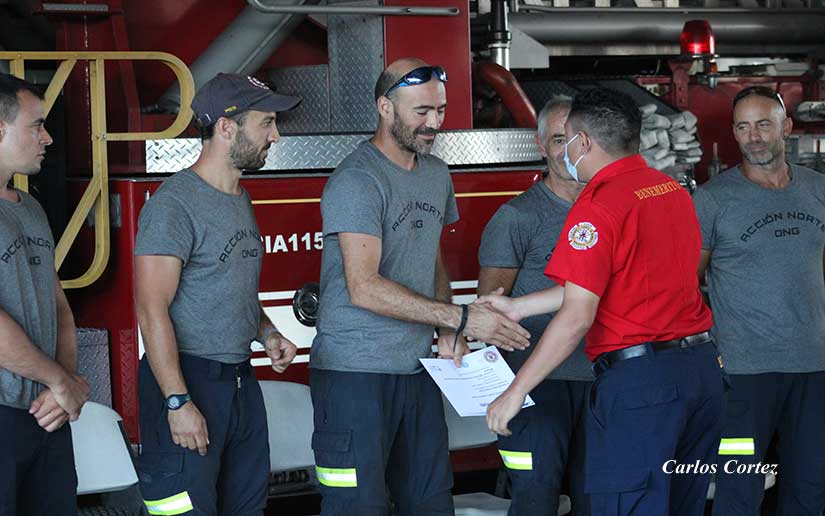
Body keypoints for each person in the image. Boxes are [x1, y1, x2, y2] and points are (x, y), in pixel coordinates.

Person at [482, 88, 725, 516]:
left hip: (642, 386)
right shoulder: (670, 190)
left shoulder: (597, 205)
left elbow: (578, 313)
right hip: (699, 374)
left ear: (583, 143)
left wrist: (516, 392)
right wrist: (520, 308)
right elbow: (608, 282)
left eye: (568, 139)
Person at [310, 57, 531, 516]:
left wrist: (449, 330)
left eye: (441, 110)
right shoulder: (358, 180)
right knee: (359, 507)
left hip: (416, 371)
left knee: (430, 502)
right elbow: (363, 288)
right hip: (356, 375)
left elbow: (430, 257)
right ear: (385, 108)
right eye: (421, 112)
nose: (434, 124)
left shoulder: (435, 173)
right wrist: (464, 319)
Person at [134, 73, 300, 516]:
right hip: (188, 381)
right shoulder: (174, 205)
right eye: (266, 123)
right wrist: (178, 401)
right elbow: (151, 311)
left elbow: (230, 288)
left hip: (239, 382)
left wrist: (266, 333)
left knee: (247, 508)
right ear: (226, 128)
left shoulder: (237, 198)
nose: (276, 135)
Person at [694, 86, 825, 516]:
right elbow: (686, 283)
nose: (753, 136)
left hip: (814, 367)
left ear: (786, 128)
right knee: (739, 491)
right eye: (743, 127)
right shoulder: (712, 200)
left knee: (810, 486)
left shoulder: (818, 190)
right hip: (743, 373)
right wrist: (705, 352)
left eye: (763, 124)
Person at [477, 95, 591, 516]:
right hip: (536, 386)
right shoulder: (516, 218)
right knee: (536, 500)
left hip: (602, 380)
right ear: (540, 144)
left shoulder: (610, 212)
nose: (567, 150)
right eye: (558, 139)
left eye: (576, 138)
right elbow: (492, 311)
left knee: (598, 498)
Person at [0, 72, 89, 515]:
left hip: (45, 414)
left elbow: (59, 307)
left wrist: (65, 387)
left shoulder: (30, 208)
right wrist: (59, 381)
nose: (48, 138)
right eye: (36, 125)